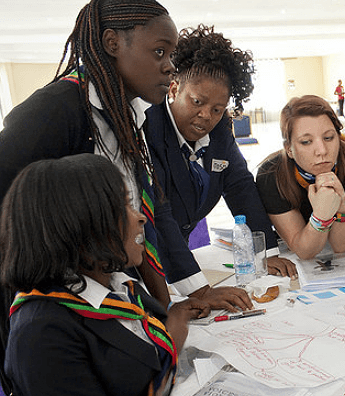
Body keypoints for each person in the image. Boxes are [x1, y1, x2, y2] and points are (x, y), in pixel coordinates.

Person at [0, 0, 178, 392]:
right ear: (113, 43)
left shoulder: (127, 113)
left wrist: (166, 308)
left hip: (102, 289)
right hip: (55, 314)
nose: (169, 65)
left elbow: (145, 213)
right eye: (159, 51)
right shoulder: (54, 110)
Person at [2, 154, 210, 396]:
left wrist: (176, 317)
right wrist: (172, 337)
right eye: (123, 206)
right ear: (79, 224)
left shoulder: (117, 284)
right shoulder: (42, 336)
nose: (141, 217)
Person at [146, 24, 298, 302]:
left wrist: (265, 253)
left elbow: (240, 186)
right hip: (143, 259)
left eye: (217, 109)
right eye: (197, 102)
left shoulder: (219, 131)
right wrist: (198, 291)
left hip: (178, 256)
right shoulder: (149, 129)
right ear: (174, 88)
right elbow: (158, 212)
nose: (206, 115)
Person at [256, 95, 345, 259]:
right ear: (289, 148)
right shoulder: (271, 176)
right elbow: (304, 251)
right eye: (306, 142)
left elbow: (343, 247)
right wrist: (321, 216)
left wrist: (340, 205)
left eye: (328, 138)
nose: (322, 150)